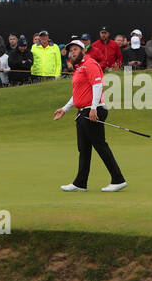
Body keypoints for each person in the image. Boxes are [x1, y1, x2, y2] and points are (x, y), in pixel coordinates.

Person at [54, 39, 127, 191]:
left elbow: (98, 85)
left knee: (100, 145)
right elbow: (78, 94)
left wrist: (93, 107)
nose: (72, 52)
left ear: (82, 50)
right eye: (71, 50)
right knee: (84, 148)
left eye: (75, 49)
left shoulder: (90, 63)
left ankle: (118, 179)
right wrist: (65, 109)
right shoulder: (79, 67)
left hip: (93, 110)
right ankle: (80, 183)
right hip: (83, 111)